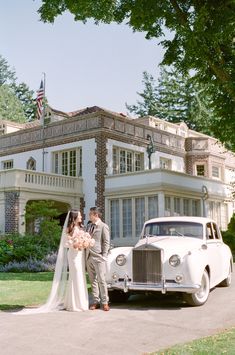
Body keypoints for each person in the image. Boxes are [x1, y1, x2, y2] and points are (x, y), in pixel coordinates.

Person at [14, 209, 89, 314]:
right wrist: (74, 244)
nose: (81, 217)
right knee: (75, 276)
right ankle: (76, 304)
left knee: (80, 276)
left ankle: (76, 303)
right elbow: (65, 243)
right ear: (74, 217)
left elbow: (84, 239)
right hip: (73, 254)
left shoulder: (81, 227)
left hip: (80, 254)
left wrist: (85, 242)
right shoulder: (69, 229)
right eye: (80, 216)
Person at [86, 206, 110, 311]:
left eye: (90, 214)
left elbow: (106, 242)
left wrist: (104, 255)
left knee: (102, 280)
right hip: (88, 256)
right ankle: (95, 301)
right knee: (93, 281)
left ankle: (105, 302)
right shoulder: (89, 226)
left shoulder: (103, 226)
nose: (89, 216)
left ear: (96, 215)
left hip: (99, 256)